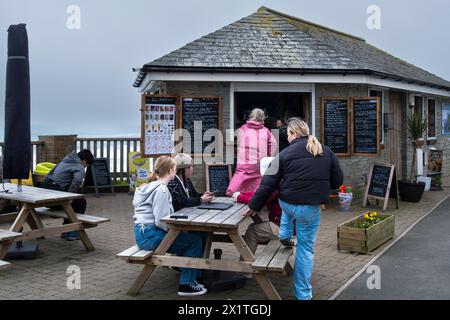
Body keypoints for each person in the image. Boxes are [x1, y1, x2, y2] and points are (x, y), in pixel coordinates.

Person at [244, 118, 343, 300]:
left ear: (294, 134)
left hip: (288, 204)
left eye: (288, 134)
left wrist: (253, 206)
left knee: (287, 209)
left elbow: (268, 184)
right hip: (310, 208)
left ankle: (284, 234)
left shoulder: (283, 154)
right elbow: (338, 181)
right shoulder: (326, 151)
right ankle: (303, 295)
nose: (287, 138)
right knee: (305, 250)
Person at [133, 156, 207, 297]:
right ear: (172, 170)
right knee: (193, 242)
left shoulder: (148, 186)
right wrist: (177, 230)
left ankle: (193, 272)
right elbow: (161, 221)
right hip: (150, 234)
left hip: (142, 232)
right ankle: (187, 285)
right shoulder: (162, 190)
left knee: (193, 236)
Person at [41, 149, 94, 241]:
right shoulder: (79, 166)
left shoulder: (65, 160)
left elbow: (50, 174)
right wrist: (69, 195)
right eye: (87, 165)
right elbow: (77, 180)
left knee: (72, 203)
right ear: (84, 161)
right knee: (80, 202)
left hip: (45, 196)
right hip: (54, 200)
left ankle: (66, 230)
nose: (85, 167)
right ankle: (73, 232)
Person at [227, 108, 277, 197]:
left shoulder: (243, 128)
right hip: (259, 161)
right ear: (263, 117)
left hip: (244, 161)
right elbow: (273, 144)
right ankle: (255, 196)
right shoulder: (266, 131)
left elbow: (231, 139)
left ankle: (233, 193)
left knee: (241, 175)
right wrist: (268, 157)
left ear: (251, 116)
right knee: (258, 179)